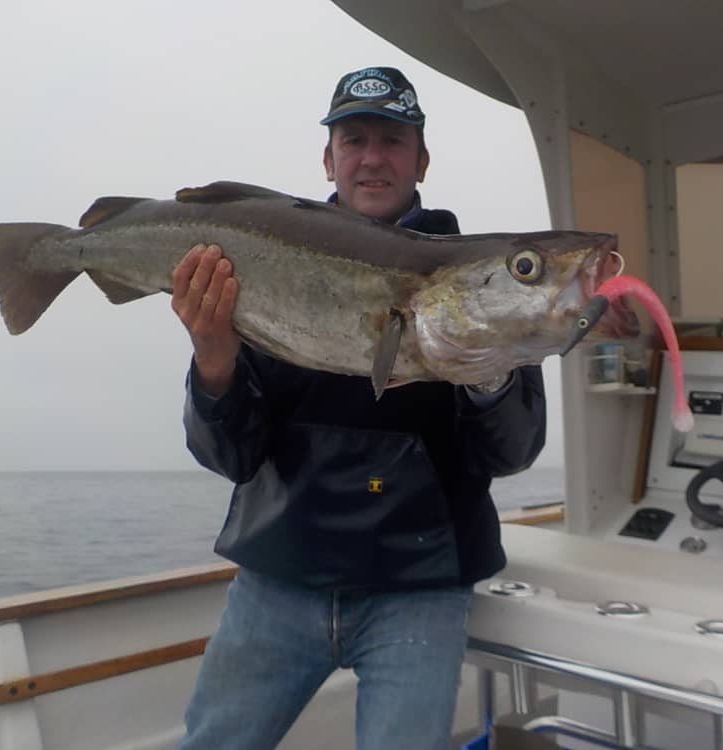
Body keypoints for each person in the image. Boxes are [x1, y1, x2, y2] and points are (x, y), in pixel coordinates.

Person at [171, 66, 546, 750]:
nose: (372, 156)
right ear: (329, 157)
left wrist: (488, 373)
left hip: (421, 590)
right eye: (354, 139)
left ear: (421, 158)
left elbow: (511, 453)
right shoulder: (259, 263)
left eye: (392, 139)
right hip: (278, 576)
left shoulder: (476, 280)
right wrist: (214, 359)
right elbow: (232, 456)